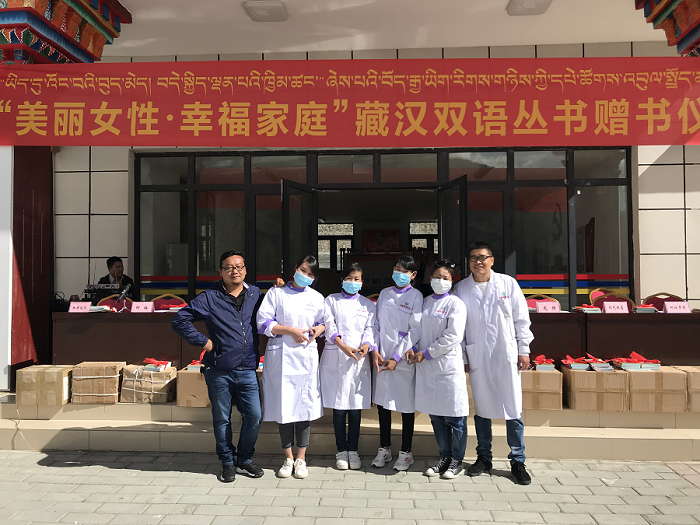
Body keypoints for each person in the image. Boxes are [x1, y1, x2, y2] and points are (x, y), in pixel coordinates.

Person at [171, 250, 264, 483]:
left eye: (239, 267)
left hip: (248, 368)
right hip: (219, 369)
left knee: (254, 416)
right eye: (229, 267)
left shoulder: (255, 294)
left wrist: (281, 289)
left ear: (245, 270)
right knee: (222, 418)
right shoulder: (210, 297)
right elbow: (180, 319)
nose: (235, 271)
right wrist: (205, 342)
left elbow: (274, 313)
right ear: (221, 271)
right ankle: (227, 462)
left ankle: (244, 459)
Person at [454, 241, 534, 485]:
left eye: (482, 257)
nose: (478, 262)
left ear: (492, 260)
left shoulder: (508, 284)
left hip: (506, 353)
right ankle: (484, 457)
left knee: (513, 408)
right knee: (482, 409)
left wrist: (524, 349)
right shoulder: (461, 288)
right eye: (473, 258)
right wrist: (464, 356)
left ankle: (517, 460)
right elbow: (458, 327)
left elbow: (521, 318)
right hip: (478, 355)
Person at [256, 255, 326, 479]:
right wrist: (291, 331)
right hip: (282, 357)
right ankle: (287, 457)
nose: (305, 276)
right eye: (303, 270)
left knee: (304, 406)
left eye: (310, 274)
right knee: (284, 405)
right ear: (295, 269)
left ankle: (301, 458)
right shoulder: (276, 293)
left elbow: (325, 322)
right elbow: (263, 322)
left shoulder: (316, 297)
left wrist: (319, 329)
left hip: (305, 357)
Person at [407, 260, 468, 479]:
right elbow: (415, 329)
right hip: (427, 368)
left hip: (447, 367)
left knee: (455, 418)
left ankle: (457, 461)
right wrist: (412, 348)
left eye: (445, 278)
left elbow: (453, 336)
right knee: (436, 417)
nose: (440, 281)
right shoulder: (423, 303)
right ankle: (444, 457)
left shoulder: (455, 304)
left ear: (452, 281)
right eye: (436, 277)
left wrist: (426, 352)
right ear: (430, 278)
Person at [321, 263, 376, 471]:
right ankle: (341, 451)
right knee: (339, 408)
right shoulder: (331, 300)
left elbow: (371, 328)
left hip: (358, 360)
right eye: (350, 278)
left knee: (354, 408)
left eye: (357, 279)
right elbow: (329, 324)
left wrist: (366, 345)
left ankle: (353, 450)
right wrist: (342, 345)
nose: (353, 282)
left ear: (362, 282)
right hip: (337, 356)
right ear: (342, 280)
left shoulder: (367, 304)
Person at [371, 254, 422, 471]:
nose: (399, 274)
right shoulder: (384, 294)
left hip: (402, 361)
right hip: (382, 357)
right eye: (397, 269)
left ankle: (406, 452)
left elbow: (415, 330)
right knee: (383, 406)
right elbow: (376, 325)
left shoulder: (416, 296)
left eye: (404, 271)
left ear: (413, 275)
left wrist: (396, 358)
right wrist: (375, 350)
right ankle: (384, 448)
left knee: (405, 407)